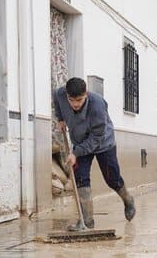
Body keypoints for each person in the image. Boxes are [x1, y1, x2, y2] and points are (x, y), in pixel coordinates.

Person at [53, 77, 136, 229]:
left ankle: (128, 200)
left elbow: (96, 138)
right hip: (79, 140)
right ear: (67, 96)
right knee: (81, 178)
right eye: (72, 100)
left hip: (103, 143)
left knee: (112, 178)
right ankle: (87, 221)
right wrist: (60, 118)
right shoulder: (61, 94)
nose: (75, 104)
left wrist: (75, 153)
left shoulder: (97, 106)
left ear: (86, 94)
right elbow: (56, 97)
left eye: (79, 100)